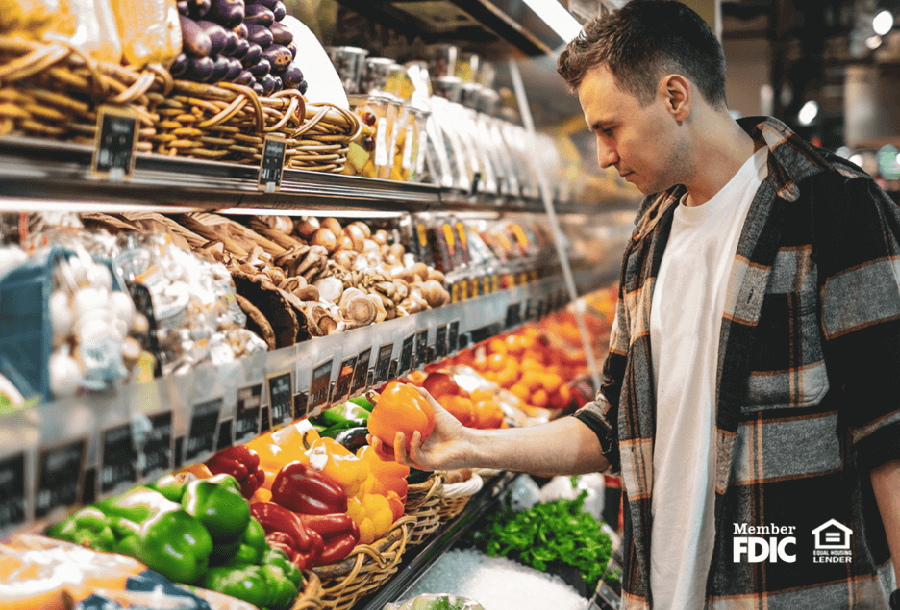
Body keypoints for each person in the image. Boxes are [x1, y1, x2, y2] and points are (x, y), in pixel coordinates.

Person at [371, 1, 900, 608]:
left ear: (675, 96)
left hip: (789, 586)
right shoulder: (653, 230)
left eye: (608, 128)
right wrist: (469, 445)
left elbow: (890, 433)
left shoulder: (833, 207)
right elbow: (613, 426)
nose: (602, 156)